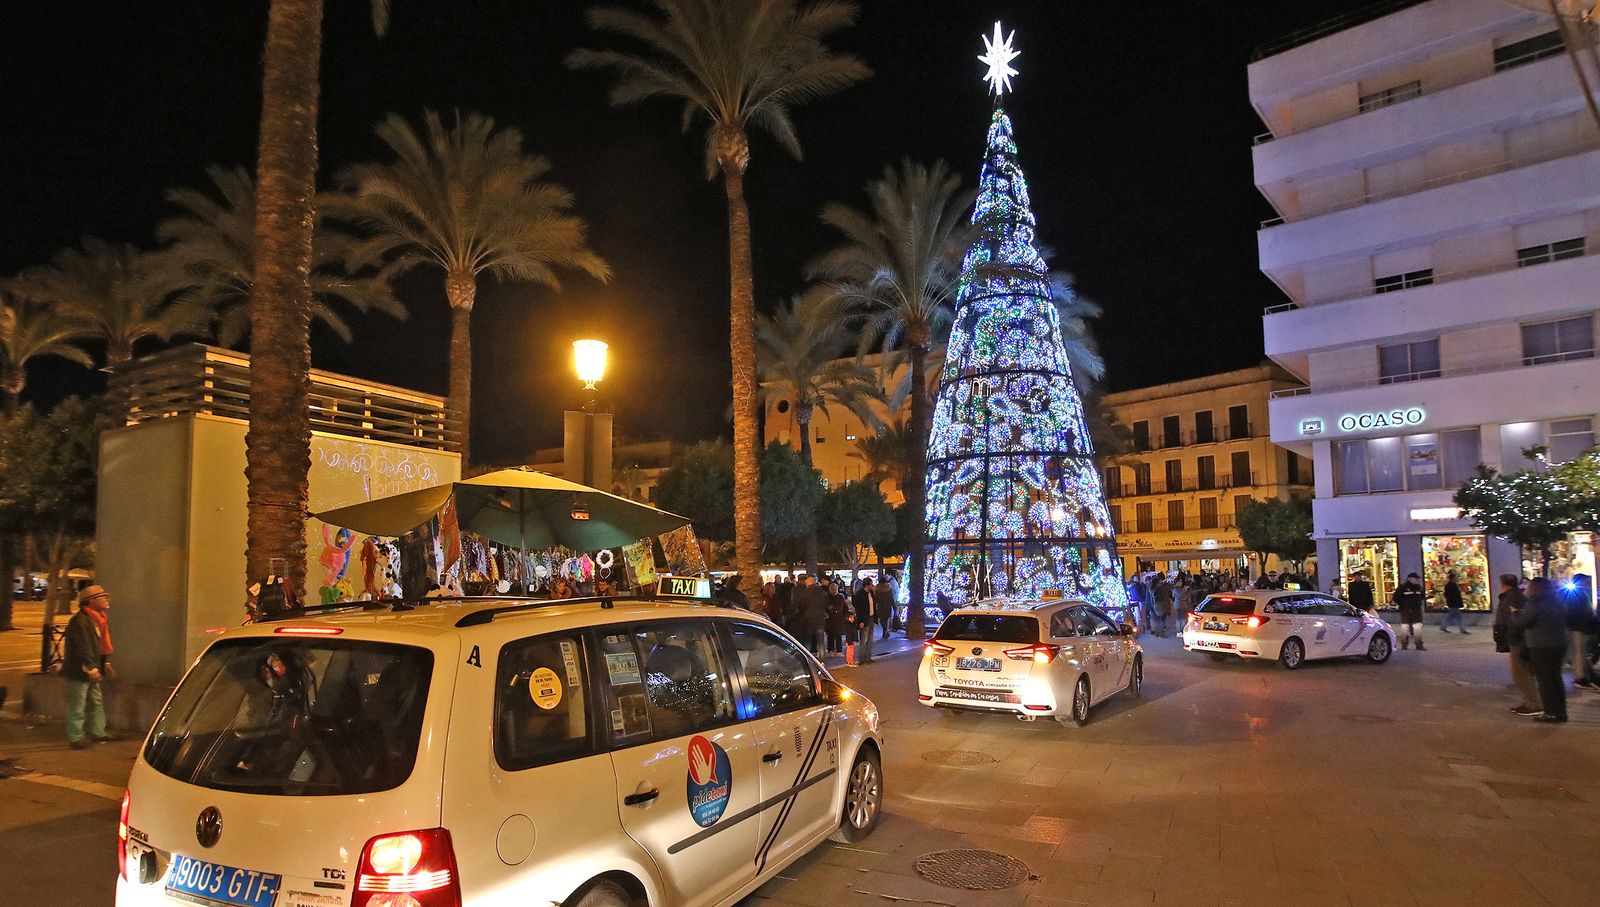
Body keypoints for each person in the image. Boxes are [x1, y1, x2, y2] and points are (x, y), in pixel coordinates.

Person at [63, 585, 118, 749]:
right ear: (91, 601)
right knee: (78, 705)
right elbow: (82, 647)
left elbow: (99, 646)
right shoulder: (80, 621)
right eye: (103, 597)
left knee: (96, 702)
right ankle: (76, 738)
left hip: (92, 668)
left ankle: (98, 732)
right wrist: (91, 668)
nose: (107, 599)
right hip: (80, 670)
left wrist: (104, 663)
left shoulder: (98, 619)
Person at [1513, 577, 1568, 723]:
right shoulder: (1558, 602)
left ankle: (1550, 712)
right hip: (1559, 643)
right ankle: (1560, 712)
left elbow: (1523, 622)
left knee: (1545, 680)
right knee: (1555, 677)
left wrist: (1515, 613)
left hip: (1541, 645)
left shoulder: (1534, 604)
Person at [1494, 575, 1541, 717]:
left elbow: (1515, 621)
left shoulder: (1512, 598)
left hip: (1518, 640)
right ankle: (1533, 702)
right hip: (1521, 639)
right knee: (1525, 671)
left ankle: (1532, 704)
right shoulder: (1519, 597)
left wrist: (1508, 637)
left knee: (1520, 672)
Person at [1562, 574, 1596, 690]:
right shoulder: (1578, 595)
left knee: (1576, 652)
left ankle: (1581, 674)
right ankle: (1579, 677)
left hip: (1577, 627)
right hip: (1577, 627)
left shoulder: (1578, 594)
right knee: (1578, 652)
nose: (1587, 584)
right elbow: (1580, 613)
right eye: (1585, 582)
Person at [794, 575, 829, 659]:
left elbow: (801, 606)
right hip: (820, 619)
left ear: (808, 583)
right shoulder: (821, 592)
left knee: (808, 641)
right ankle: (821, 659)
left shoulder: (805, 593)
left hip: (809, 619)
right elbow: (826, 603)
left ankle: (808, 659)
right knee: (821, 641)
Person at [1396, 572, 1426, 651]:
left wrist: (1418, 603)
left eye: (1418, 579)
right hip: (1406, 611)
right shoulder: (1403, 587)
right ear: (1410, 579)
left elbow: (1422, 596)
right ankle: (1404, 644)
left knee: (1417, 627)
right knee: (1405, 627)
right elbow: (1396, 598)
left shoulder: (1419, 587)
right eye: (1416, 578)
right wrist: (1403, 605)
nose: (1417, 580)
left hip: (1416, 611)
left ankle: (1419, 645)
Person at [852, 580, 876, 664]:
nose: (872, 586)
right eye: (871, 584)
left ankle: (868, 657)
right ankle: (862, 659)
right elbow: (858, 609)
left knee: (870, 639)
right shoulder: (860, 594)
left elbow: (873, 605)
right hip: (864, 619)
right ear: (867, 585)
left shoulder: (871, 593)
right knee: (863, 639)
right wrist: (860, 621)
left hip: (871, 617)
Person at [824, 580, 848, 656]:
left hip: (839, 619)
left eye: (835, 589)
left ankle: (839, 650)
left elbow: (845, 608)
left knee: (838, 635)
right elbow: (824, 608)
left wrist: (844, 616)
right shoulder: (827, 598)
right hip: (830, 620)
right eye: (832, 589)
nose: (834, 591)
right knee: (830, 636)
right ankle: (831, 650)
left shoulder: (840, 597)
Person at [1151, 572, 1173, 638]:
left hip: (1156, 605)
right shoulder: (1163, 587)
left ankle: (1157, 632)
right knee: (1162, 620)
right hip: (1163, 605)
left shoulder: (1152, 588)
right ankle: (1161, 633)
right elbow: (1171, 588)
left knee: (1158, 619)